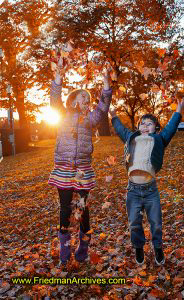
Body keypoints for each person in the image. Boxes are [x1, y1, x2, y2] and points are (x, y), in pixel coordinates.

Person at [49, 56, 112, 265]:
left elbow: (103, 108)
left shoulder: (90, 118)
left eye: (89, 97)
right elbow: (54, 100)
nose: (88, 99)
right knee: (65, 209)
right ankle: (65, 250)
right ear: (74, 100)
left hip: (83, 169)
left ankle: (83, 248)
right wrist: (57, 79)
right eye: (84, 96)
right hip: (64, 168)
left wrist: (105, 84)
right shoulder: (62, 114)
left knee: (83, 208)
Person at [109, 98, 184, 266]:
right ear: (138, 128)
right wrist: (114, 115)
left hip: (151, 190)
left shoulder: (158, 139)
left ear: (155, 128)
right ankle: (138, 247)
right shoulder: (131, 138)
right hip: (133, 190)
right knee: (134, 223)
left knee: (156, 223)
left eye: (149, 124)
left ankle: (157, 247)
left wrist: (178, 111)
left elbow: (171, 128)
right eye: (142, 123)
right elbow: (120, 129)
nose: (145, 126)